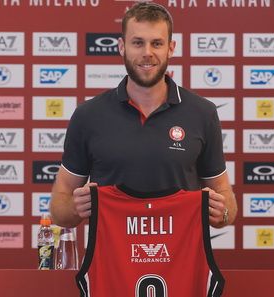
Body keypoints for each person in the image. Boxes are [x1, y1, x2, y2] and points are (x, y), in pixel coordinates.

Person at [50, 1, 237, 228]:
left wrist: (222, 212)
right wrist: (73, 208)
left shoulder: (202, 113)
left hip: (180, 251)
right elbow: (60, 207)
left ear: (171, 48)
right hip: (111, 251)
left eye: (157, 43)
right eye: (138, 43)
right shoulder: (88, 115)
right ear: (122, 47)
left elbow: (226, 201)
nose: (147, 53)